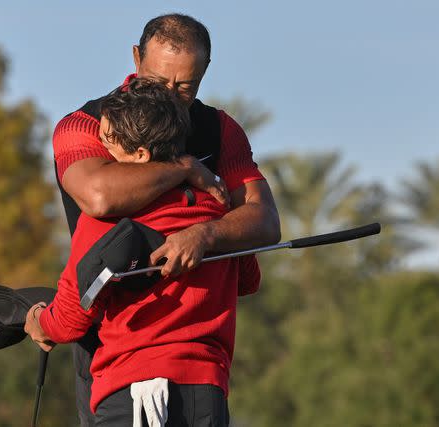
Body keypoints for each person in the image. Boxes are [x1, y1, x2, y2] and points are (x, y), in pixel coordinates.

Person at [51, 13, 280, 426]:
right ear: (137, 59)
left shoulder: (219, 130)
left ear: (205, 73)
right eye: (159, 83)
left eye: (185, 86)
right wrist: (184, 168)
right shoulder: (90, 125)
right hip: (105, 343)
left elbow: (263, 222)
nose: (172, 98)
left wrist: (206, 234)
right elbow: (100, 197)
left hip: (200, 361)